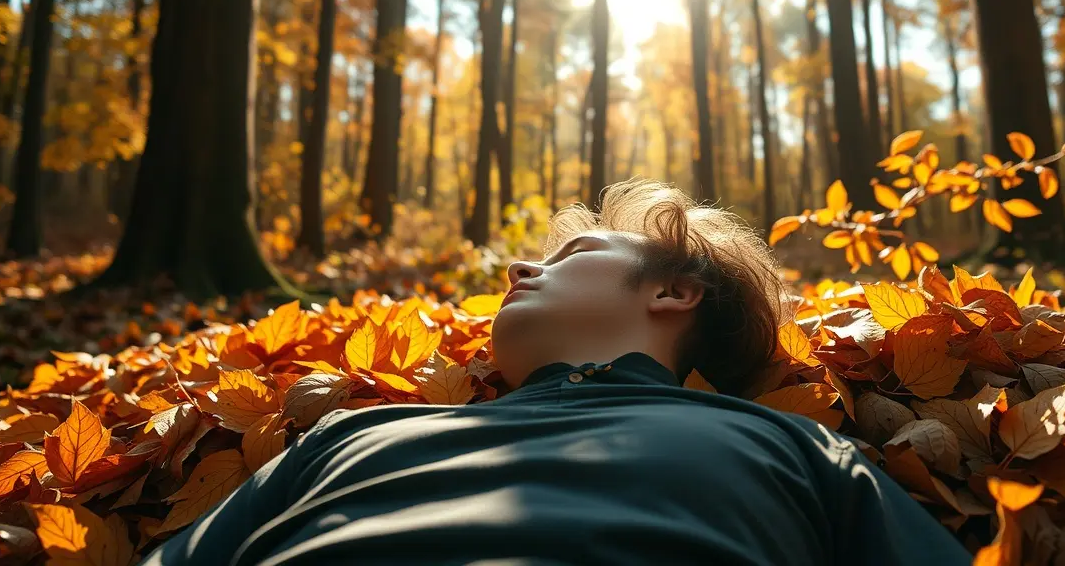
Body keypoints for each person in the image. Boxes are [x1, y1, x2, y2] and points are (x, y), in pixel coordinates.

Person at [143, 179, 971, 566]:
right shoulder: (353, 434)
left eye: (572, 253)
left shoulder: (785, 446)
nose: (515, 271)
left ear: (675, 292)